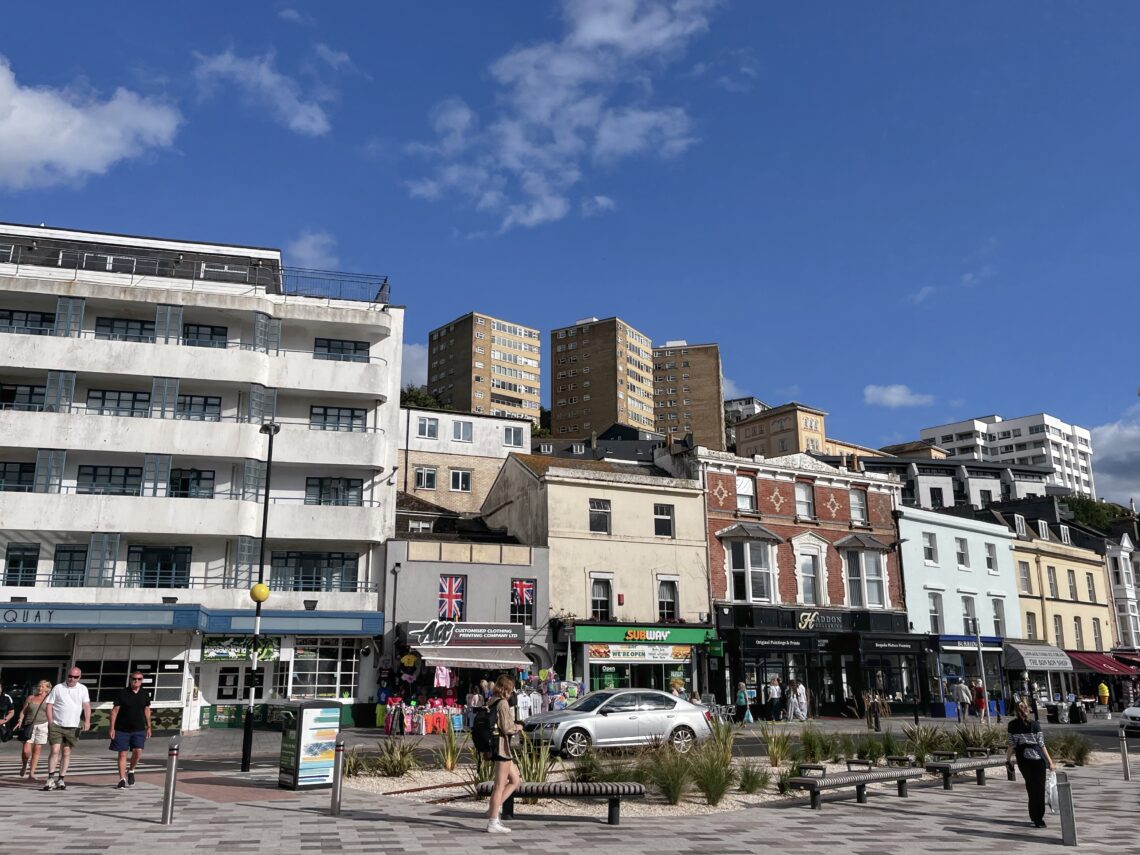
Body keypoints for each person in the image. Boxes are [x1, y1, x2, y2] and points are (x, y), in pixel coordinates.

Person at [1006, 699, 1056, 828]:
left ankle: (1035, 816)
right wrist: (1050, 762)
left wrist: (1008, 760)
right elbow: (1041, 744)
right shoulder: (1035, 725)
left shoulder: (1012, 725)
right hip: (1037, 759)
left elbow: (1011, 745)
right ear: (1028, 709)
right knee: (1039, 789)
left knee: (1031, 788)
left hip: (1023, 760)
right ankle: (1038, 817)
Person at [42, 667, 91, 791]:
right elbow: (49, 705)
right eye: (70, 676)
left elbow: (86, 706)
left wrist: (87, 721)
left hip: (73, 725)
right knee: (55, 750)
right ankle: (50, 778)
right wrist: (50, 721)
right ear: (67, 675)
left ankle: (61, 779)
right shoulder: (58, 688)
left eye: (75, 677)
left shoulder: (83, 689)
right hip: (57, 724)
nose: (72, 679)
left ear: (79, 677)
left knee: (66, 752)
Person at [485, 674, 522, 834]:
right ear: (506, 689)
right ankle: (493, 821)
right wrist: (518, 727)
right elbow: (506, 728)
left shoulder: (491, 700)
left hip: (495, 746)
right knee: (499, 785)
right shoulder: (503, 704)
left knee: (515, 779)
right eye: (511, 690)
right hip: (502, 748)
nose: (511, 693)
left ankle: (493, 808)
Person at [109, 670, 152, 789]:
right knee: (122, 753)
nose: (136, 681)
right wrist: (112, 728)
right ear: (130, 679)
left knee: (138, 751)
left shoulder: (144, 693)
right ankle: (122, 779)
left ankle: (131, 770)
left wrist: (149, 726)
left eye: (139, 679)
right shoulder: (123, 693)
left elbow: (147, 710)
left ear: (142, 681)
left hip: (139, 728)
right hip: (122, 728)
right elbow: (114, 711)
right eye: (134, 679)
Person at [15, 680, 52, 781]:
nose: (40, 688)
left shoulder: (49, 699)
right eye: (39, 686)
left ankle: (31, 773)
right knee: (26, 751)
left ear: (47, 688)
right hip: (29, 725)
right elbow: (23, 711)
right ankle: (24, 764)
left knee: (37, 750)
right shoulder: (31, 698)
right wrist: (20, 720)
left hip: (43, 726)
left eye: (42, 687)